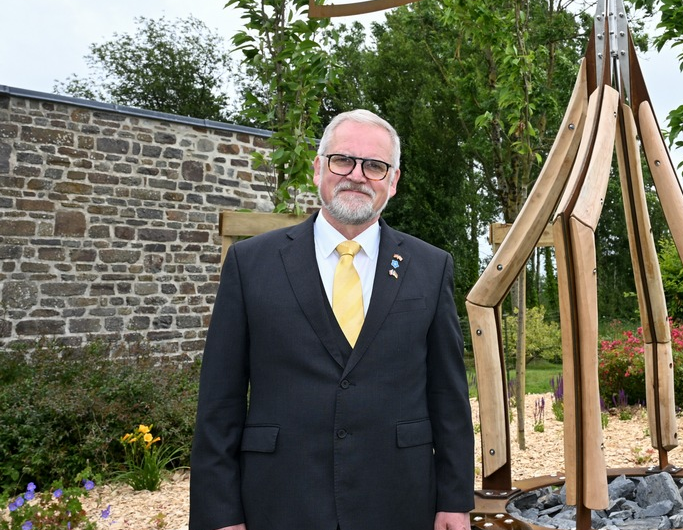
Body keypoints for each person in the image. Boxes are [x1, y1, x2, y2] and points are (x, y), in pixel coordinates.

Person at [190, 109, 474, 530]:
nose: (357, 175)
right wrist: (220, 514)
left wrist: (454, 501)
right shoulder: (250, 264)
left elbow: (448, 397)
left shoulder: (430, 268)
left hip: (400, 499)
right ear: (318, 168)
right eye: (344, 160)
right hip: (280, 499)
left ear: (393, 182)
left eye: (375, 166)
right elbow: (219, 402)